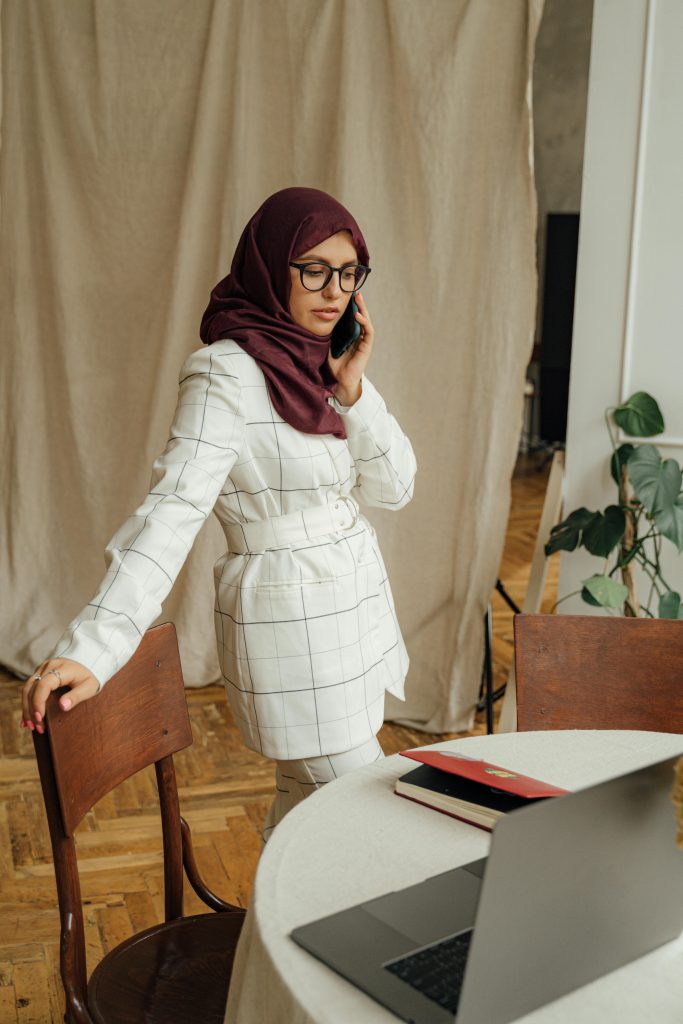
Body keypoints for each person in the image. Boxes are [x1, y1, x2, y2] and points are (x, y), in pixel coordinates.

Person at [20, 187, 416, 839]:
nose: (333, 290)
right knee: (367, 814)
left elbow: (395, 487)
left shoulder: (327, 368)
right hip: (290, 628)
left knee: (302, 807)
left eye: (347, 273)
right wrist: (93, 648)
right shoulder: (224, 374)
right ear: (269, 266)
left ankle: (262, 940)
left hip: (357, 616)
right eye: (312, 268)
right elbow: (170, 514)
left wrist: (354, 390)